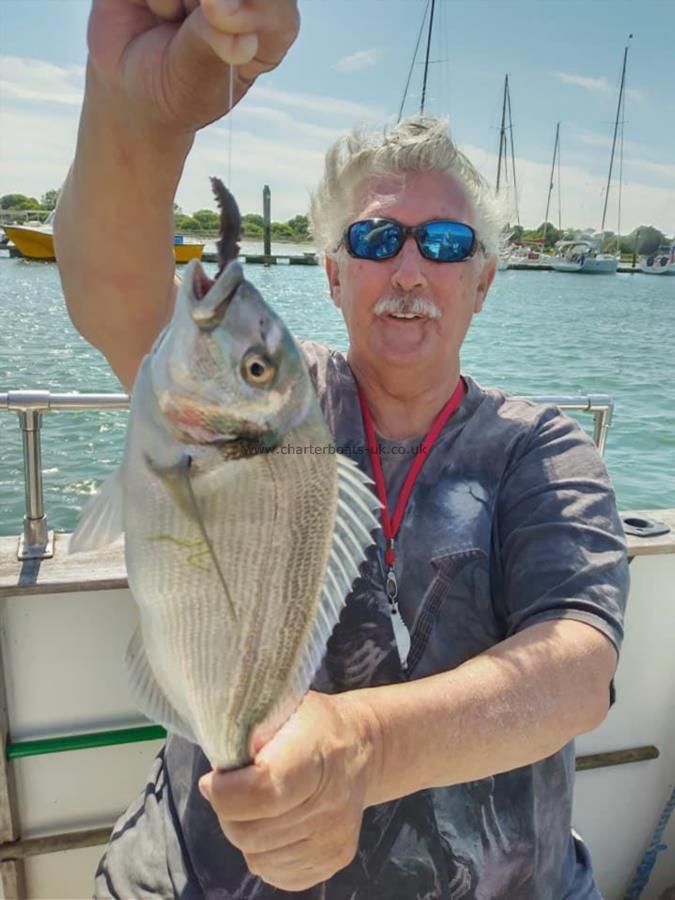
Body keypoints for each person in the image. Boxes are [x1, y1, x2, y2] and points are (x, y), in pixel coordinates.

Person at [54, 2, 628, 897]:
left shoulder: (540, 450)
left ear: (481, 280)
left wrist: (362, 750)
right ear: (332, 273)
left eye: (443, 244)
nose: (407, 269)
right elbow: (113, 290)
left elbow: (575, 670)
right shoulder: (276, 399)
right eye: (373, 238)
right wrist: (141, 116)